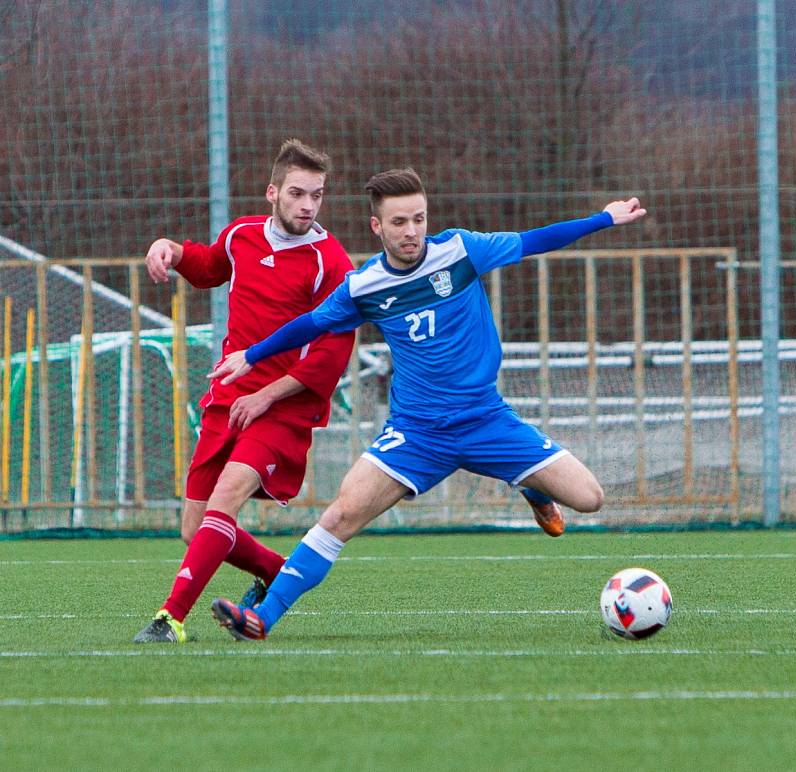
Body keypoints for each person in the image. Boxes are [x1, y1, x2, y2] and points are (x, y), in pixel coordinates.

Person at [206, 168, 646, 641]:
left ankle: (532, 486)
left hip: (486, 421)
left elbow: (533, 240)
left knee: (590, 499)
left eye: (418, 218)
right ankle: (262, 618)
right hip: (416, 434)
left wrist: (603, 218)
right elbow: (311, 324)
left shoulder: (459, 251)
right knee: (338, 517)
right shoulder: (364, 287)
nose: (411, 230)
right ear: (378, 227)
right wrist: (250, 357)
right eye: (399, 222)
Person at [133, 139, 355, 643]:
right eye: (297, 193)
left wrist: (268, 395)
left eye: (317, 196)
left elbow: (330, 356)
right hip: (228, 398)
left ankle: (170, 619)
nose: (307, 205)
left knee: (226, 499)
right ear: (272, 192)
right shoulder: (242, 235)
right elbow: (211, 266)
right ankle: (278, 571)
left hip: (284, 408)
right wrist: (172, 249)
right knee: (194, 528)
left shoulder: (331, 263)